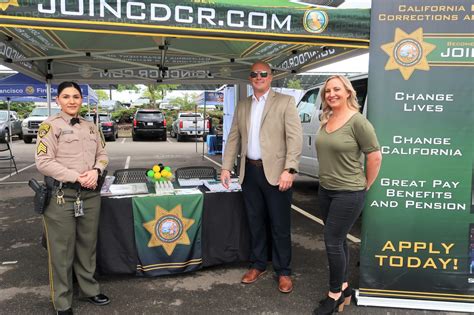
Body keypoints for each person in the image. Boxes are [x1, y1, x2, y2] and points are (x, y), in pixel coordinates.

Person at [221, 61, 302, 293]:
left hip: (278, 174)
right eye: (255, 74)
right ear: (250, 78)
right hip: (250, 173)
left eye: (263, 73)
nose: (259, 77)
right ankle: (258, 264)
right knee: (255, 223)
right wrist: (226, 167)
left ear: (271, 76)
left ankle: (283, 271)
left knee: (279, 225)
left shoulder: (285, 102)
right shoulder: (243, 105)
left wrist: (290, 169)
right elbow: (234, 137)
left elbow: (294, 139)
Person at [35, 82, 110, 315]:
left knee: (87, 246)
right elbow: (43, 162)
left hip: (89, 195)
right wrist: (77, 177)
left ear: (81, 100)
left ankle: (89, 289)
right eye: (66, 96)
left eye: (76, 96)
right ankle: (62, 301)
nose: (71, 101)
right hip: (61, 196)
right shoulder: (48, 127)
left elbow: (103, 154)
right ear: (58, 100)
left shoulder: (91, 127)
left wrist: (96, 170)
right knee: (61, 251)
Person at [313, 75, 382, 315]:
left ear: (348, 92)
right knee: (340, 239)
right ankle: (344, 286)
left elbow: (375, 156)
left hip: (348, 192)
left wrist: (366, 185)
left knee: (332, 240)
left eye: (336, 89)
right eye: (328, 91)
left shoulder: (358, 122)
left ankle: (334, 294)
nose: (331, 94)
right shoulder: (327, 118)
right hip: (326, 190)